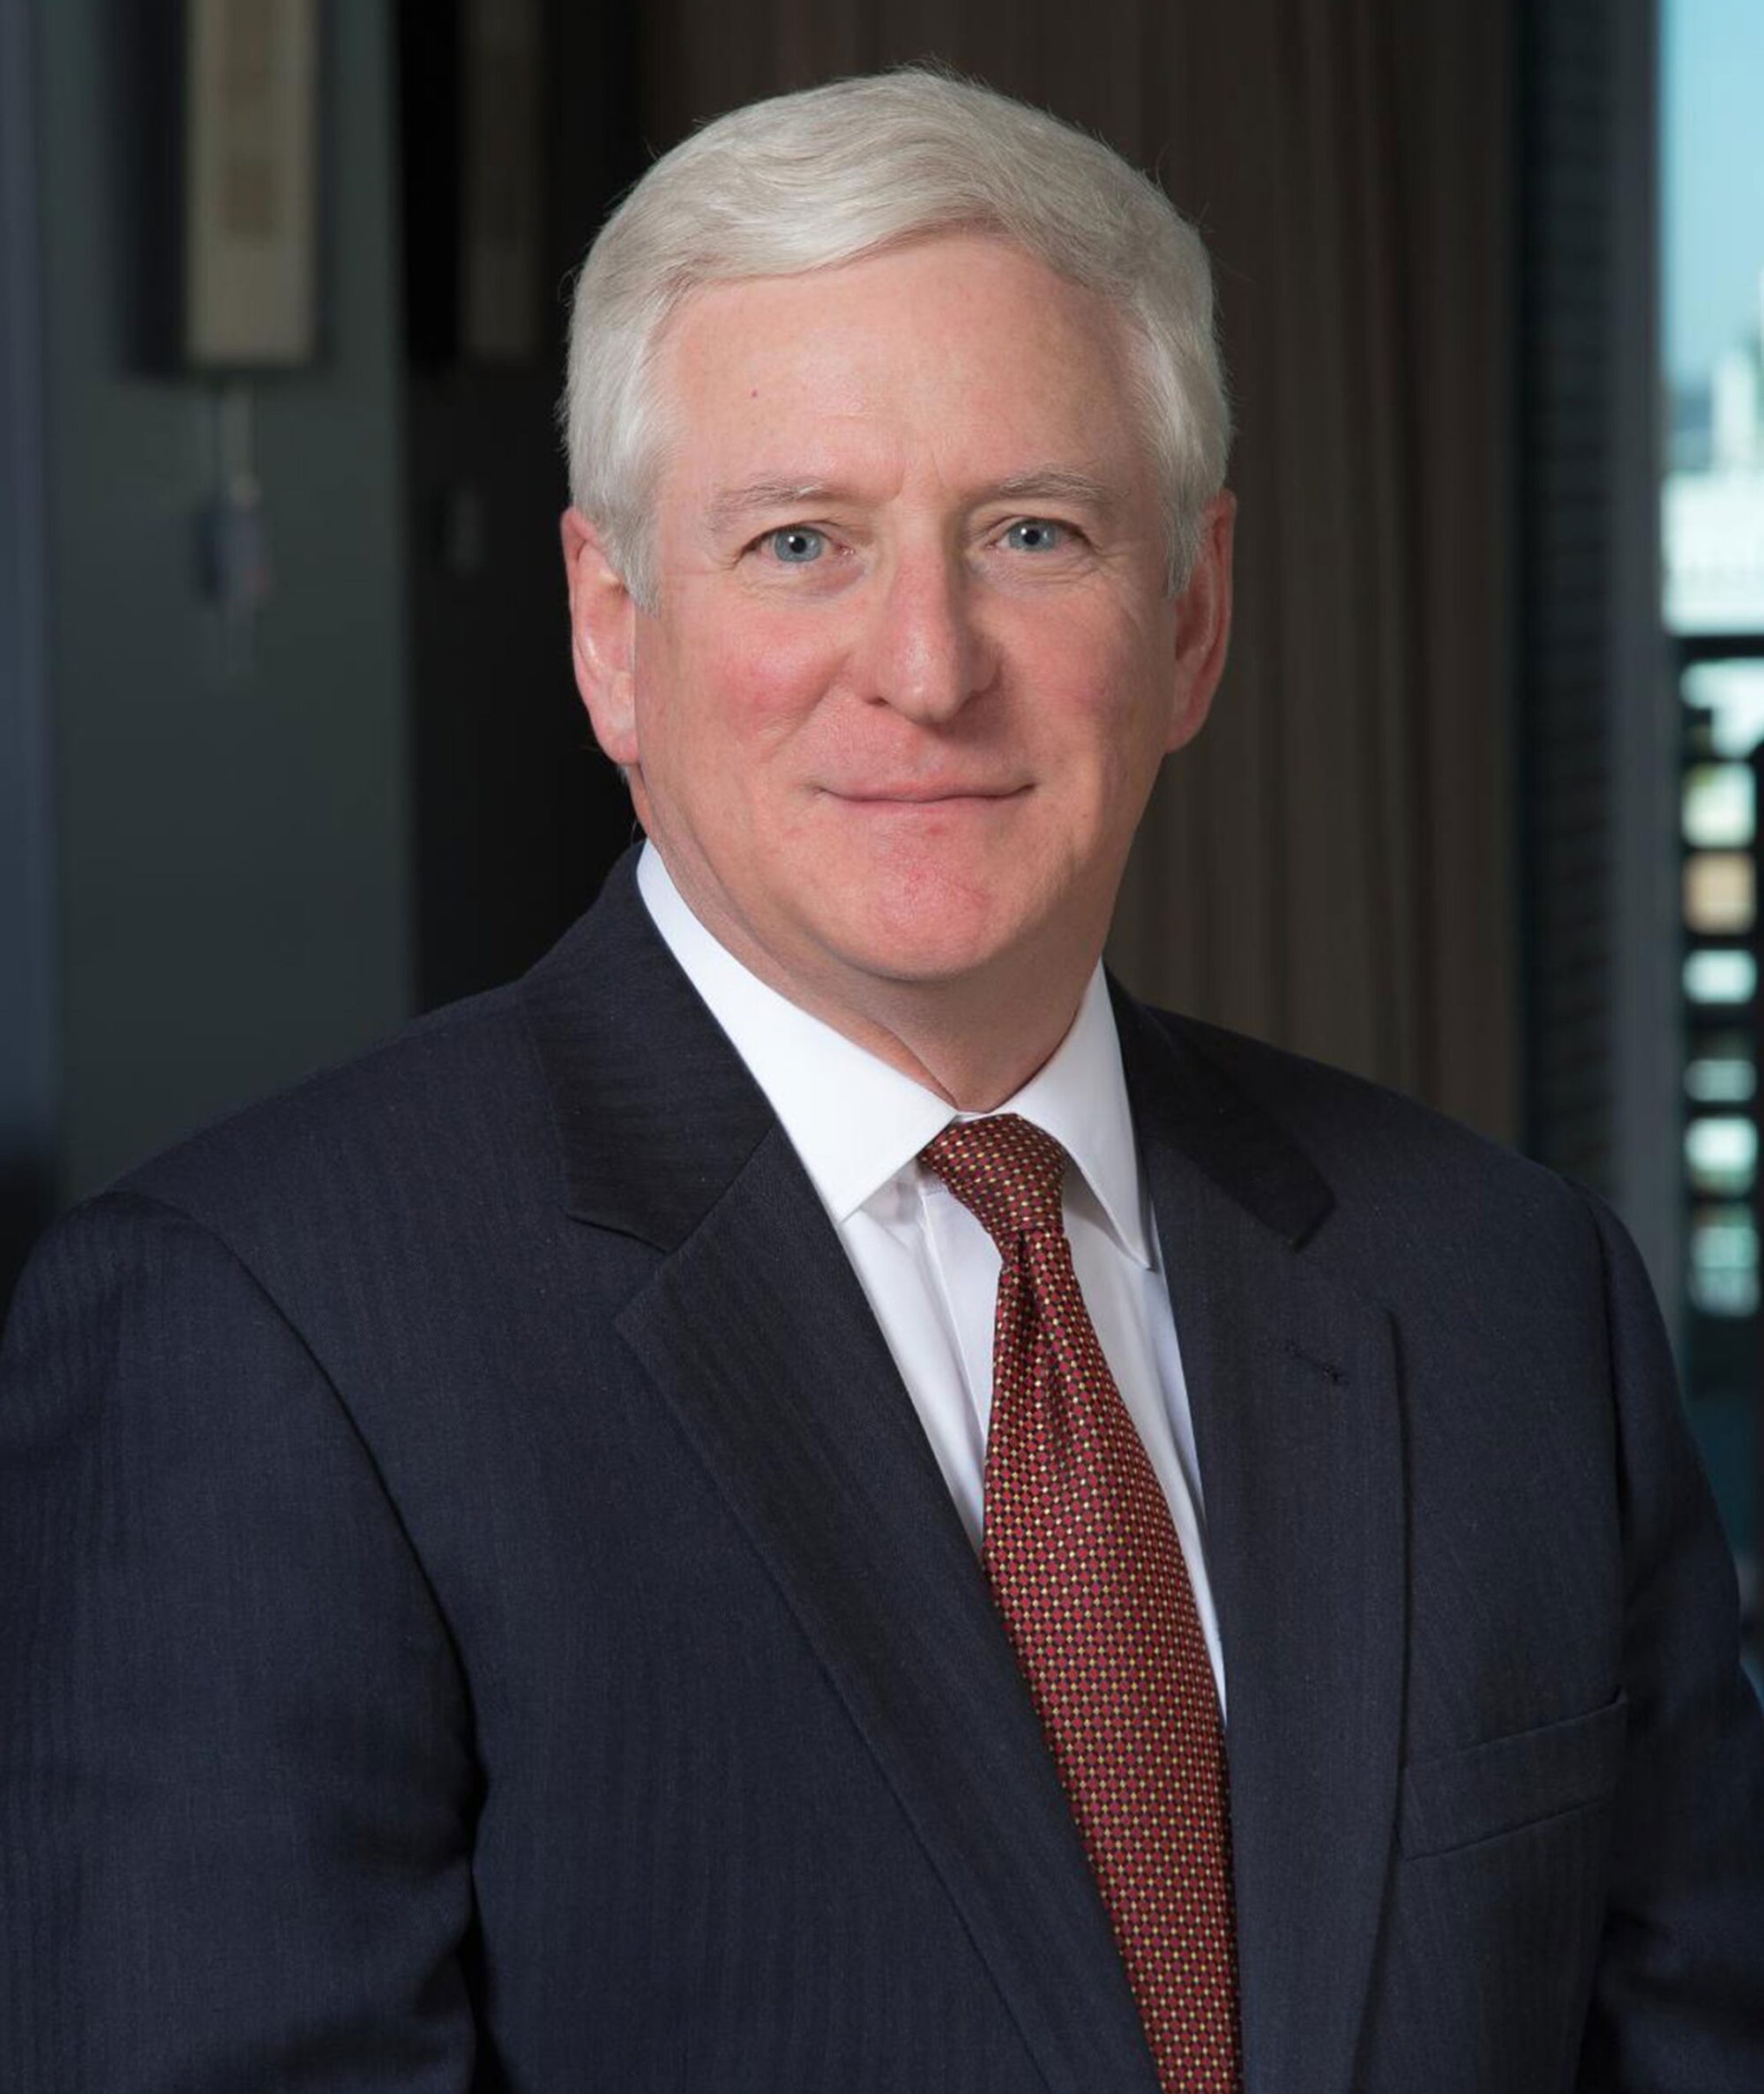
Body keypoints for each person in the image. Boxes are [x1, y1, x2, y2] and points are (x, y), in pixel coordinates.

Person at [3, 66, 1761, 2094]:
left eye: (1032, 530)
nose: (925, 663)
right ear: (609, 626)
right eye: (800, 541)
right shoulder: (257, 1336)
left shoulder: (1503, 1285)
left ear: (1190, 616)